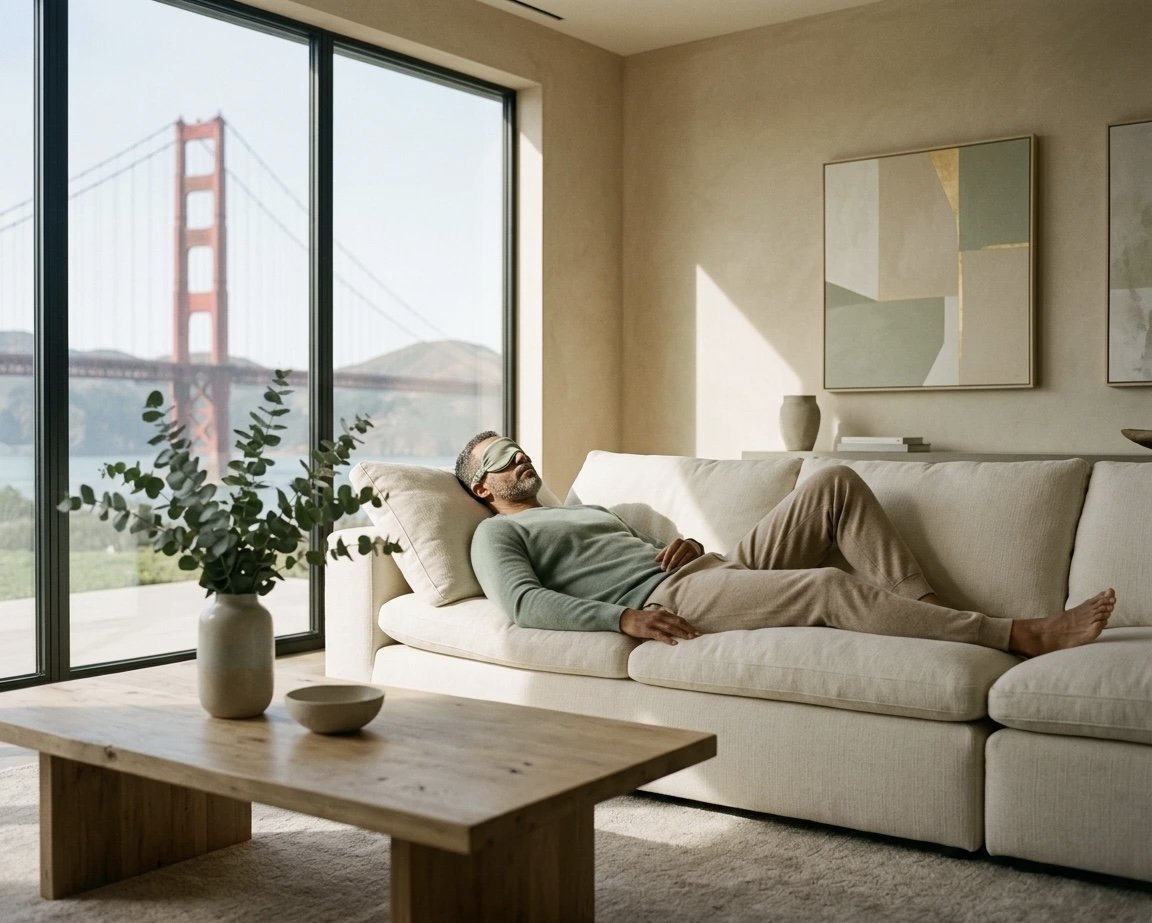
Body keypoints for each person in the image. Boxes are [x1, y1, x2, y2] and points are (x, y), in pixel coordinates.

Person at [455, 431, 1116, 656]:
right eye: (503, 457)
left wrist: (685, 543)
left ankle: (930, 612)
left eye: (519, 447)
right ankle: (1015, 634)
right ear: (483, 486)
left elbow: (664, 546)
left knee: (833, 482)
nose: (521, 458)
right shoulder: (497, 532)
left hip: (710, 570)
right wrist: (622, 618)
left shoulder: (590, 509)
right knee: (827, 586)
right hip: (667, 600)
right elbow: (524, 604)